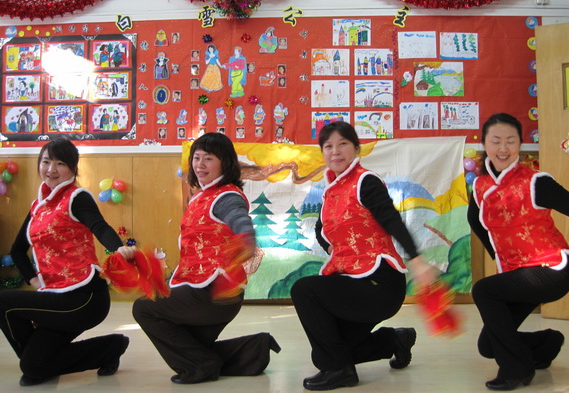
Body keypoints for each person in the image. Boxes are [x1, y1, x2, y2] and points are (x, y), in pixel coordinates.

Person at [290, 121, 437, 391]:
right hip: (352, 282)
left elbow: (390, 218)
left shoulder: (365, 181)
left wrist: (416, 258)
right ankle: (395, 341)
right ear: (322, 153)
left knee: (304, 290)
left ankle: (341, 371)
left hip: (379, 285)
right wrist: (332, 248)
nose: (335, 151)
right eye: (328, 146)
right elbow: (321, 229)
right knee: (327, 352)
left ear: (357, 149)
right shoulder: (331, 191)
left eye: (343, 144)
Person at [132, 132, 280, 384]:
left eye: (208, 158)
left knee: (144, 308)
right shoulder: (202, 196)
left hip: (212, 294)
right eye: (196, 158)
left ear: (225, 163)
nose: (200, 165)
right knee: (191, 343)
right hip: (208, 292)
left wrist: (245, 235)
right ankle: (254, 349)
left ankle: (201, 367)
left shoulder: (226, 196)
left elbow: (237, 216)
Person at [468, 113, 569, 391]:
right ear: (485, 144)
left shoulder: (536, 182)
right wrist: (500, 257)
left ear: (520, 144)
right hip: (519, 272)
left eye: (510, 141)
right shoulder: (480, 186)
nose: (503, 148)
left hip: (552, 269)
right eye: (496, 141)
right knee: (488, 345)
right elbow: (474, 219)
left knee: (484, 290)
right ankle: (546, 344)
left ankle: (516, 370)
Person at [0, 138, 136, 387]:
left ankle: (42, 361)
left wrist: (119, 248)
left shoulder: (77, 197)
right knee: (33, 367)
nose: (51, 169)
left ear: (73, 168)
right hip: (55, 296)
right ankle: (109, 347)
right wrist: (36, 282)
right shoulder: (38, 207)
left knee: (3, 301)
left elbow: (100, 226)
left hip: (83, 298)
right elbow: (17, 250)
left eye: (60, 163)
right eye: (46, 162)